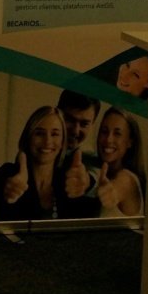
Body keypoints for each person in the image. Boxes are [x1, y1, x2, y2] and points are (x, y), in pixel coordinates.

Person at [0, 106, 71, 221]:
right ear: (28, 138)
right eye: (39, 133)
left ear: (63, 141)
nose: (47, 141)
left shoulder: (67, 181)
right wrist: (10, 191)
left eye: (54, 134)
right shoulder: (8, 173)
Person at [55, 89, 101, 218]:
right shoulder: (38, 149)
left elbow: (95, 175)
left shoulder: (93, 159)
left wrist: (86, 182)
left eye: (84, 124)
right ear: (58, 113)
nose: (76, 130)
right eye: (70, 120)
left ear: (93, 124)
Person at [94, 106, 145, 217]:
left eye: (117, 134)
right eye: (104, 131)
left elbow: (120, 186)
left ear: (130, 142)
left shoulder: (128, 179)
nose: (108, 139)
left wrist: (112, 193)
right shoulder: (97, 170)